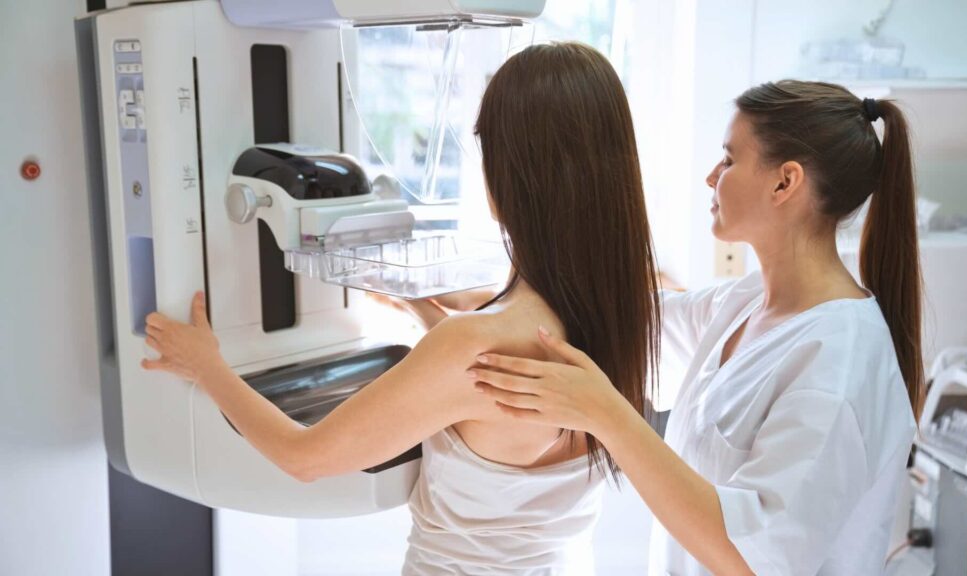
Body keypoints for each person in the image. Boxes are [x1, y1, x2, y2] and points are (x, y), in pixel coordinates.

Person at [140, 42, 661, 575]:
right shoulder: (620, 320)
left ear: (507, 181)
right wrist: (424, 312)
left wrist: (207, 366)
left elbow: (304, 457)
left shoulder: (472, 345)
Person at [472, 80, 922, 575]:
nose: (712, 177)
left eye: (728, 160)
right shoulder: (747, 303)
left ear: (785, 182)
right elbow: (634, 323)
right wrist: (465, 306)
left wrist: (607, 414)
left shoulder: (838, 366)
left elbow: (752, 561)